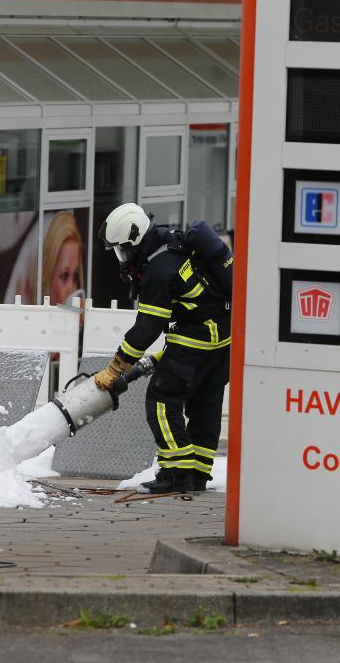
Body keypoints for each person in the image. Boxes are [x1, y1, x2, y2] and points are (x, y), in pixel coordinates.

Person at [93, 203, 231, 494]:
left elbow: (146, 329)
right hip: (222, 341)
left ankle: (176, 473)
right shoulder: (173, 244)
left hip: (194, 341)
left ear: (134, 240)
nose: (122, 258)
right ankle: (197, 474)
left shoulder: (158, 269)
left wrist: (116, 368)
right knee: (204, 406)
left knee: (161, 399)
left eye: (122, 250)